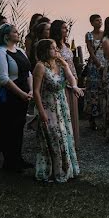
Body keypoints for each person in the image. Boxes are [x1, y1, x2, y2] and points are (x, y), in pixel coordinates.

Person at [32, 39, 81, 183]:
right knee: (55, 137)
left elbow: (72, 80)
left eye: (56, 48)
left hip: (62, 106)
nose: (56, 51)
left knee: (64, 136)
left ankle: (67, 169)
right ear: (45, 50)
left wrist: (65, 65)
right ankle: (53, 171)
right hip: (48, 106)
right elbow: (36, 91)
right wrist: (41, 112)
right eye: (53, 48)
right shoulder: (40, 67)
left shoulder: (59, 64)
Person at [0, 24, 34, 171]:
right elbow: (3, 78)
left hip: (24, 93)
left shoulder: (20, 50)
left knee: (19, 126)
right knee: (8, 127)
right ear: (6, 36)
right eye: (15, 32)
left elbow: (28, 72)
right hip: (10, 94)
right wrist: (21, 93)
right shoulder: (0, 52)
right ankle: (9, 161)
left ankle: (18, 158)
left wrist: (31, 90)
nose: (18, 33)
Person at [51, 20, 81, 150]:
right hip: (62, 81)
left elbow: (71, 63)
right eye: (63, 28)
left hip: (72, 79)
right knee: (64, 112)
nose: (66, 30)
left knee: (73, 111)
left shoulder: (66, 45)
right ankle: (63, 144)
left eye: (66, 28)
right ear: (57, 30)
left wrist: (75, 77)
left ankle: (72, 142)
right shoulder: (54, 46)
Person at [84, 14, 105, 130]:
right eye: (97, 20)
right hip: (94, 66)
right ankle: (92, 118)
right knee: (93, 92)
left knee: (104, 90)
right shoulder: (89, 35)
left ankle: (104, 117)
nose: (99, 22)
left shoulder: (105, 34)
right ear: (92, 23)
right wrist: (98, 65)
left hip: (105, 64)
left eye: (100, 20)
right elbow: (91, 51)